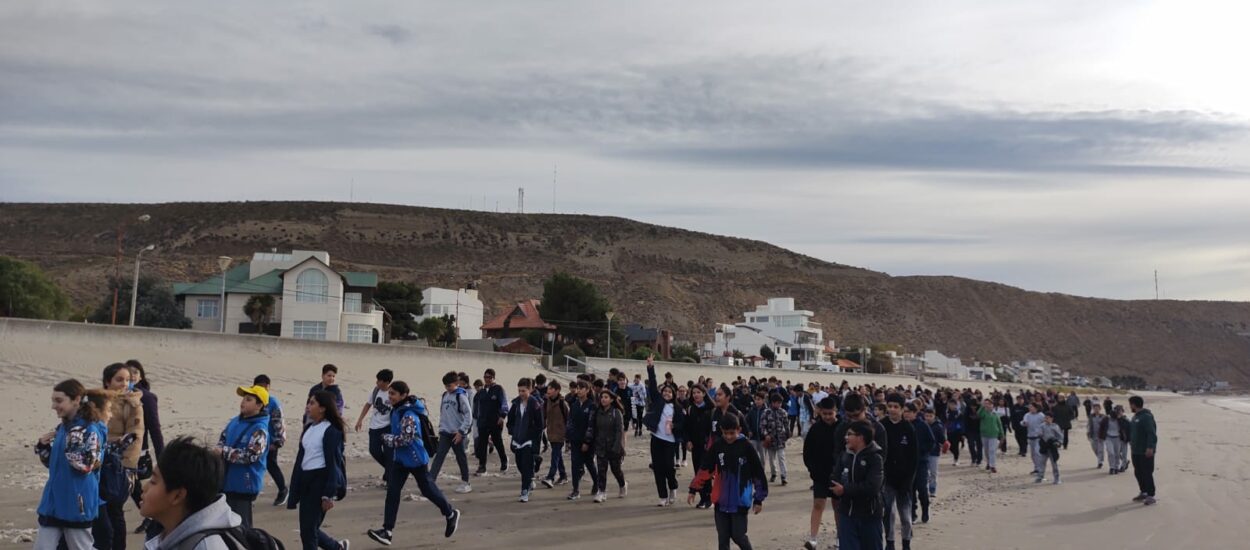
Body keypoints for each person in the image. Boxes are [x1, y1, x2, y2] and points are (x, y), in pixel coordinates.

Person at [367, 382, 460, 545]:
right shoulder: (397, 410)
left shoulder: (409, 414)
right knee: (392, 492)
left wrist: (386, 438)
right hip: (400, 460)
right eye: (389, 394)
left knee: (428, 490)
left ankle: (450, 513)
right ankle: (387, 531)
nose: (390, 397)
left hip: (415, 459)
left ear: (403, 395)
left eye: (393, 394)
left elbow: (406, 440)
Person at [34, 380, 110, 550]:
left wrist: (74, 440)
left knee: (81, 547)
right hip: (53, 500)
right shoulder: (62, 427)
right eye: (53, 400)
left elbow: (87, 466)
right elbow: (55, 465)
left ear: (76, 400)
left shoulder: (91, 429)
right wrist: (44, 448)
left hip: (77, 501)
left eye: (59, 401)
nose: (54, 406)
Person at [137, 436, 246, 550]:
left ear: (177, 496)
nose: (144, 488)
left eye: (153, 482)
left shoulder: (207, 546)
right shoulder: (159, 532)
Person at [688, 414, 767, 550]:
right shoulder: (717, 445)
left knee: (739, 535)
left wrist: (759, 499)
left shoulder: (746, 447)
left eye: (732, 433)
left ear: (739, 429)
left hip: (740, 500)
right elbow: (706, 467)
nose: (729, 436)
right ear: (721, 430)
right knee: (723, 538)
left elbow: (758, 473)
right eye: (726, 433)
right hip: (721, 500)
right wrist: (694, 488)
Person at [290, 391, 349, 550]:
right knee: (308, 530)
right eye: (308, 403)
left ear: (322, 408)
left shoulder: (331, 431)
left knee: (309, 532)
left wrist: (328, 494)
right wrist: (294, 489)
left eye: (312, 403)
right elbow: (300, 460)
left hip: (321, 482)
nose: (308, 406)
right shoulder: (309, 428)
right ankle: (336, 548)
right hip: (306, 481)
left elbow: (333, 464)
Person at [99, 362, 144, 550]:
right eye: (119, 379)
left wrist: (126, 467)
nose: (124, 384)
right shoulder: (97, 401)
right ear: (107, 381)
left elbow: (135, 437)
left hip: (119, 467)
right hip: (96, 463)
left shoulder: (133, 404)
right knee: (100, 511)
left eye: (127, 380)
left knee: (115, 511)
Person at [213, 385, 270, 528]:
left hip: (244, 485)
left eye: (249, 399)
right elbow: (223, 438)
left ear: (259, 405)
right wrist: (219, 449)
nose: (243, 402)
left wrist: (224, 452)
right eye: (244, 398)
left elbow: (251, 456)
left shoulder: (260, 429)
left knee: (242, 527)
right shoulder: (235, 421)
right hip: (226, 482)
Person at [125, 360, 165, 537]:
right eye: (128, 372)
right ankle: (152, 514)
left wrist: (162, 456)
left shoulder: (147, 397)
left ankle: (153, 513)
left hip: (138, 452)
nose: (132, 375)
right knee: (131, 488)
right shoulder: (119, 395)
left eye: (135, 372)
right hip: (119, 452)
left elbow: (155, 429)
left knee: (128, 486)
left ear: (141, 375)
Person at [832, 420, 885, 550]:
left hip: (870, 515)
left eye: (849, 434)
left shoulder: (875, 458)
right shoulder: (844, 456)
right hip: (846, 514)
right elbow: (835, 477)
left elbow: (872, 487)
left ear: (860, 437)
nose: (846, 438)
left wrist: (845, 489)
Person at [641, 357, 685, 506]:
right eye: (664, 391)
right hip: (656, 438)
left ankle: (673, 486)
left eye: (669, 392)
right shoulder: (658, 401)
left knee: (668, 467)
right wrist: (650, 367)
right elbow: (652, 385)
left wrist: (675, 426)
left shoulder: (677, 409)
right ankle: (662, 496)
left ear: (673, 395)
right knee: (657, 468)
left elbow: (682, 424)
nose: (666, 393)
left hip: (670, 441)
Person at [802, 397, 840, 550]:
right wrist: (812, 470)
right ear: (820, 412)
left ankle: (839, 538)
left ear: (835, 411)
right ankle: (813, 539)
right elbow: (807, 452)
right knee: (818, 504)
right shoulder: (815, 428)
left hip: (837, 474)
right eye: (824, 414)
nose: (827, 417)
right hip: (819, 474)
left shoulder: (842, 427)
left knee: (838, 506)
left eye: (830, 413)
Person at [881, 394, 917, 550]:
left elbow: (914, 457)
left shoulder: (908, 428)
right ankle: (890, 542)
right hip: (886, 478)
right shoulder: (881, 426)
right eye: (890, 406)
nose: (892, 410)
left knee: (906, 517)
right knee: (889, 513)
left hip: (904, 480)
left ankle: (906, 542)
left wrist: (908, 481)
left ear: (902, 409)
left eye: (896, 407)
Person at [429, 371, 474, 495]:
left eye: (449, 385)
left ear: (456, 383)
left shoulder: (461, 396)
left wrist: (461, 431)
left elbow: (468, 416)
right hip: (445, 432)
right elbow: (444, 413)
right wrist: (441, 427)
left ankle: (466, 482)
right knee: (439, 456)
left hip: (457, 433)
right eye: (445, 386)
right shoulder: (445, 395)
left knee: (461, 458)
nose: (447, 388)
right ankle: (430, 483)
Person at [585, 389, 628, 503]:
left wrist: (617, 446)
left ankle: (622, 484)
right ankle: (601, 492)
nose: (603, 399)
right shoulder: (597, 412)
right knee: (601, 471)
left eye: (606, 397)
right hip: (600, 446)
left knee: (616, 470)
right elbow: (593, 428)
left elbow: (619, 431)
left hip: (614, 447)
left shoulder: (616, 412)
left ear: (612, 399)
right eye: (602, 397)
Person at [252, 375, 289, 507]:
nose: (262, 390)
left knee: (271, 465)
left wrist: (277, 441)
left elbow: (278, 423)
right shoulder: (251, 401)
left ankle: (283, 490)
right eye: (259, 387)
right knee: (253, 466)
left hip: (270, 441)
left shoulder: (272, 403)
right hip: (254, 440)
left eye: (265, 387)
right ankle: (250, 495)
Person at [507, 377, 544, 502]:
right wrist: (512, 430)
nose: (521, 393)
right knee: (519, 464)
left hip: (529, 441)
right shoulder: (516, 403)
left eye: (524, 391)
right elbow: (510, 419)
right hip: (517, 439)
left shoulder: (535, 404)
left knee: (526, 465)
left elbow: (540, 424)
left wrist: (533, 437)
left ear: (530, 389)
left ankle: (524, 491)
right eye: (519, 391)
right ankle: (530, 477)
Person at [354, 369, 394, 484]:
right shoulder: (375, 391)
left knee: (389, 454)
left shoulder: (392, 393)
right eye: (377, 380)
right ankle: (392, 471)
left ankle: (390, 478)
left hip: (388, 427)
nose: (377, 383)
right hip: (374, 427)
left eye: (380, 381)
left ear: (387, 382)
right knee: (374, 451)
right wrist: (360, 419)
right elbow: (368, 404)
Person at [565, 380, 599, 501]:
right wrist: (568, 438)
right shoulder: (574, 405)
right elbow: (569, 422)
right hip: (575, 440)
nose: (578, 390)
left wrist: (587, 441)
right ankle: (575, 490)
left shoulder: (592, 406)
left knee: (589, 463)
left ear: (588, 390)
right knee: (575, 465)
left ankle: (597, 482)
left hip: (588, 442)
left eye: (581, 388)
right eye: (577, 388)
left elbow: (591, 425)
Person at [473, 368, 509, 475]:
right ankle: (482, 466)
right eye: (485, 377)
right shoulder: (481, 392)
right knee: (482, 444)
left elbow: (504, 404)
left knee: (497, 442)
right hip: (483, 422)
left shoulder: (498, 389)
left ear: (493, 378)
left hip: (495, 421)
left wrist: (502, 416)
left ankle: (504, 460)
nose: (487, 379)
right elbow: (476, 406)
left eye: (489, 377)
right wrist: (476, 418)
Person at [684, 384, 714, 508]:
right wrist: (688, 441)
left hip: (708, 446)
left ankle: (709, 498)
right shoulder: (690, 409)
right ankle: (703, 498)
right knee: (698, 471)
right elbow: (686, 428)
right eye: (694, 393)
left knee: (706, 472)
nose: (696, 395)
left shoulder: (711, 409)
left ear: (704, 393)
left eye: (698, 392)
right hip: (695, 446)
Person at [906, 404, 934, 524]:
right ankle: (912, 513)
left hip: (921, 462)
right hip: (907, 463)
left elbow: (931, 442)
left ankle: (925, 509)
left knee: (922, 489)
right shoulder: (903, 426)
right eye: (905, 411)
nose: (906, 414)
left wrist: (921, 450)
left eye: (908, 412)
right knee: (909, 490)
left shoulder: (923, 425)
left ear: (914, 413)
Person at [540, 380, 570, 488]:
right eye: (548, 388)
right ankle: (563, 475)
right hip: (550, 433)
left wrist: (568, 435)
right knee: (557, 455)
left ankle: (550, 477)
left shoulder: (563, 404)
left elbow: (568, 419)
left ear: (557, 390)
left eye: (551, 389)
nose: (548, 390)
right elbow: (544, 417)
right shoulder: (546, 402)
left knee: (555, 456)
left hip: (560, 434)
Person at [1128, 396, 1158, 505]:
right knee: (1138, 472)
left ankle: (1151, 495)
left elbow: (1151, 433)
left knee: (1147, 473)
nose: (1130, 406)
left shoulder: (1146, 417)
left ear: (1134, 404)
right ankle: (1143, 492)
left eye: (1130, 404)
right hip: (1135, 450)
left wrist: (1150, 447)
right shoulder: (1135, 417)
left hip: (1145, 451)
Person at [760, 393, 789, 486]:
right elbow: (762, 426)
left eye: (780, 403)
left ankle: (784, 476)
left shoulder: (783, 412)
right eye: (777, 403)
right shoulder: (766, 412)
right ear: (772, 403)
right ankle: (774, 473)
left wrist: (787, 434)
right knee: (772, 460)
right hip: (770, 440)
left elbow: (786, 424)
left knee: (781, 458)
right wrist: (766, 435)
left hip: (780, 439)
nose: (779, 405)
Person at [922, 409, 945, 498]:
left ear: (934, 416)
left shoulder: (938, 426)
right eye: (926, 416)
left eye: (930, 416)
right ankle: (925, 489)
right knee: (925, 472)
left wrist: (944, 445)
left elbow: (942, 439)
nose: (928, 418)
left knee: (933, 472)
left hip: (934, 452)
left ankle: (933, 489)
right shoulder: (922, 425)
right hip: (924, 452)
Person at [978, 398, 1003, 474]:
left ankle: (993, 466)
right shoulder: (983, 413)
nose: (987, 405)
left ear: (992, 405)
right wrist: (982, 407)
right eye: (986, 403)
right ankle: (988, 463)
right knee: (986, 450)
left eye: (989, 404)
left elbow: (999, 425)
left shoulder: (995, 414)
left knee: (992, 450)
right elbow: (979, 415)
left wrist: (1002, 434)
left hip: (993, 435)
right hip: (984, 434)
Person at [1103, 405, 1131, 474]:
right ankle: (1116, 465)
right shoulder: (1115, 419)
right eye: (1117, 411)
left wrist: (1130, 439)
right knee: (1116, 453)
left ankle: (1123, 466)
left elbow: (1129, 429)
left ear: (1122, 411)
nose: (1119, 412)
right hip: (1117, 438)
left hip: (1124, 439)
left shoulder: (1125, 420)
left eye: (1120, 411)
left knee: (1123, 453)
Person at [1037, 411, 1063, 484]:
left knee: (1054, 463)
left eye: (1048, 418)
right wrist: (1040, 434)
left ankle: (1057, 478)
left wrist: (1058, 442)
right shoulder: (1042, 426)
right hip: (1044, 446)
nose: (1046, 419)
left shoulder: (1055, 426)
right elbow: (1039, 433)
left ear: (1052, 419)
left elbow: (1060, 436)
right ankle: (1040, 477)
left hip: (1052, 447)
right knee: (1042, 462)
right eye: (1045, 418)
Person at [1022, 403, 1046, 478]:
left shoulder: (1041, 415)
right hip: (1030, 436)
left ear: (1036, 408)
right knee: (1033, 454)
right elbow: (1023, 422)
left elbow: (1045, 423)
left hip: (1038, 437)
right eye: (1029, 407)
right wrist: (1024, 423)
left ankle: (1040, 469)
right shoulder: (1027, 415)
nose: (1030, 408)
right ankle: (1036, 468)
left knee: (1037, 452)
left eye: (1031, 407)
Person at [1086, 403, 1106, 469]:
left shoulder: (1103, 416)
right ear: (1093, 409)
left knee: (1100, 449)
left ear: (1100, 409)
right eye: (1095, 408)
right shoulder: (1091, 416)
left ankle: (1100, 462)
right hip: (1093, 435)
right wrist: (1088, 433)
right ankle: (1100, 458)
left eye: (1097, 408)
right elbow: (1088, 425)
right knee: (1095, 449)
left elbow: (1106, 426)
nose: (1096, 410)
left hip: (1101, 435)